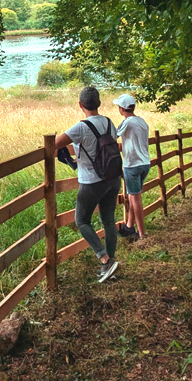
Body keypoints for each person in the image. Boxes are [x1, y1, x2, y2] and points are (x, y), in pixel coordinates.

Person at [55, 86, 123, 283]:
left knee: (82, 221)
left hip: (92, 182)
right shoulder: (110, 123)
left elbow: (54, 144)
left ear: (80, 105)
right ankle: (109, 265)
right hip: (112, 178)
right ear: (99, 103)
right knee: (108, 221)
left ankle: (104, 257)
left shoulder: (81, 127)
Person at [114, 93, 151, 240]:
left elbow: (113, 136)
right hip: (144, 163)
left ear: (122, 109)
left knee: (135, 199)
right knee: (133, 195)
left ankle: (142, 234)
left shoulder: (127, 122)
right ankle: (129, 226)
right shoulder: (142, 121)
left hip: (132, 164)